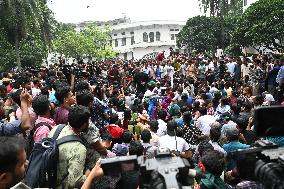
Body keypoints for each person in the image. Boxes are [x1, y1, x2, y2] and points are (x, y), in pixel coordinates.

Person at [48, 105, 91, 188]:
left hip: (47, 179)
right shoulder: (79, 148)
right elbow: (74, 182)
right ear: (84, 124)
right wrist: (89, 176)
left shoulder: (57, 128)